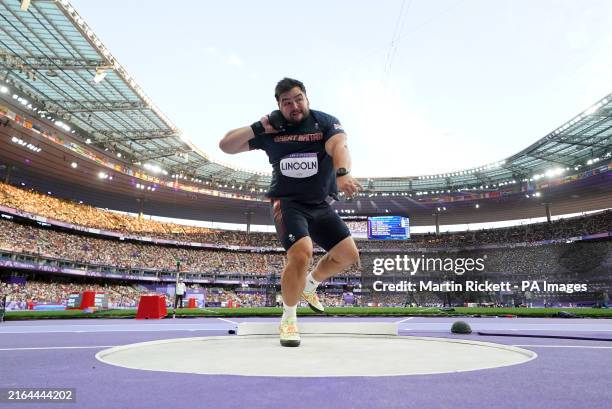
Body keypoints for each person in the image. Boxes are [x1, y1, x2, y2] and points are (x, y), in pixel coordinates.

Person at [220, 77, 362, 347]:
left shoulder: (325, 123)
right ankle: (288, 318)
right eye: (287, 102)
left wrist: (342, 173)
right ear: (279, 106)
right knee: (301, 252)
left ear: (307, 99)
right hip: (287, 202)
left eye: (298, 99)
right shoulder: (272, 127)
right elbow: (226, 146)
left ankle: (310, 285)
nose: (294, 106)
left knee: (348, 255)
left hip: (319, 204)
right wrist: (259, 126)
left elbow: (339, 147)